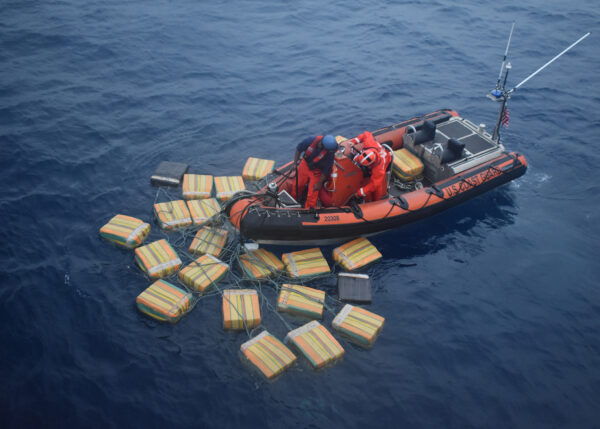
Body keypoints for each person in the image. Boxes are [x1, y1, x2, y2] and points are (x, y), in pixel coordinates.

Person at [292, 134, 338, 208]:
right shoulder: (310, 140)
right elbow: (298, 149)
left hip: (317, 171)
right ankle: (293, 200)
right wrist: (295, 164)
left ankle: (308, 209)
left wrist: (319, 183)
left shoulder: (330, 154)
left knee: (313, 192)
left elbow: (326, 170)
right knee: (298, 185)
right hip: (305, 164)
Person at [351, 131, 390, 202]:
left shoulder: (379, 169)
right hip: (375, 153)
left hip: (386, 159)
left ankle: (376, 202)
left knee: (378, 187)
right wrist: (354, 142)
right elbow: (366, 134)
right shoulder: (369, 144)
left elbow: (374, 185)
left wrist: (360, 193)